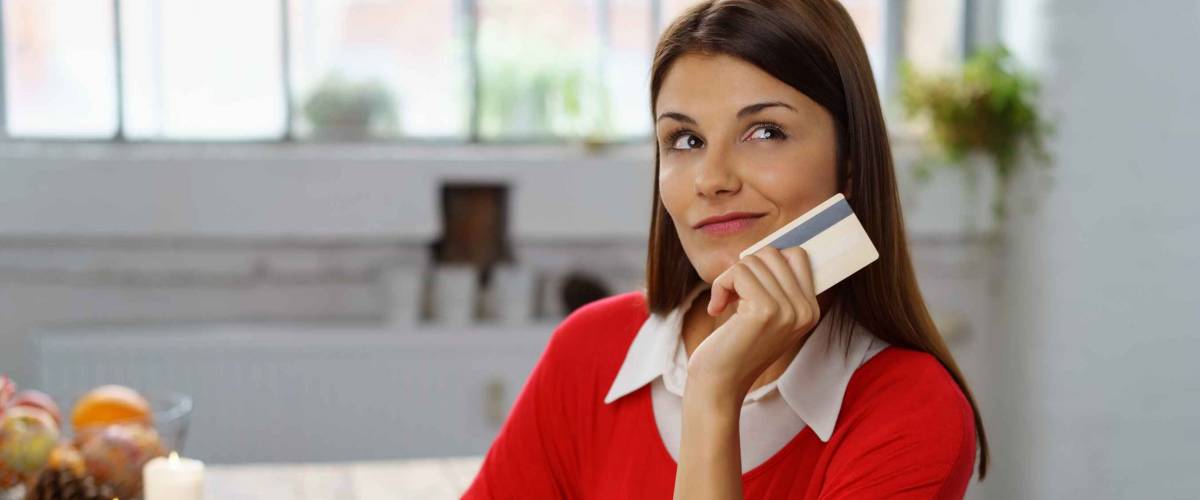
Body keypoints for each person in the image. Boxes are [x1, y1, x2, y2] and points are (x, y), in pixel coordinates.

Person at [462, 0, 988, 498]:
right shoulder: (588, 351)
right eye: (686, 140)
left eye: (764, 132)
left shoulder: (913, 411)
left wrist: (713, 394)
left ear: (850, 164)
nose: (711, 180)